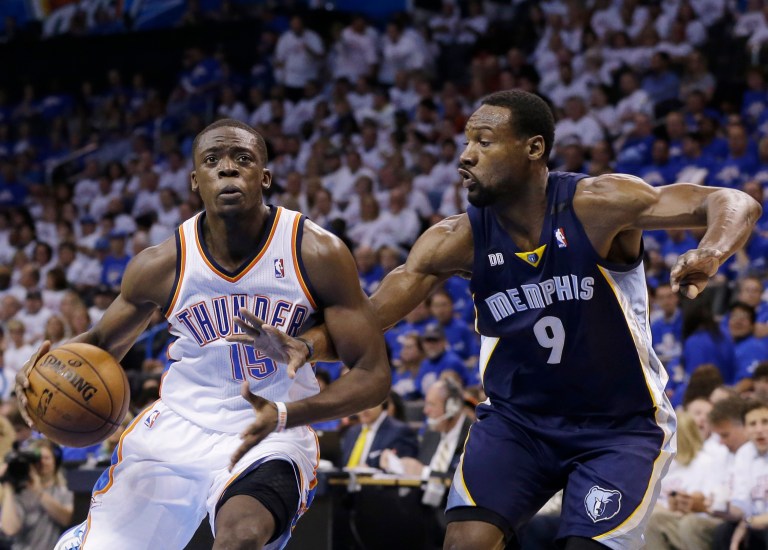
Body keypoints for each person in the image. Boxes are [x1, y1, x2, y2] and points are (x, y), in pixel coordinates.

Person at [233, 90, 761, 549]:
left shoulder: (599, 204)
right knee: (465, 542)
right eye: (465, 143)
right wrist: (305, 346)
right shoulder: (454, 238)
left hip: (618, 427)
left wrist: (711, 252)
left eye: (484, 142)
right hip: (519, 423)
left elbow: (731, 199)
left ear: (534, 149)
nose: (466, 156)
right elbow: (370, 317)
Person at [17, 118, 390, 550]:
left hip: (271, 433)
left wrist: (290, 415)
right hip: (178, 427)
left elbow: (373, 375)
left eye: (242, 159)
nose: (227, 169)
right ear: (196, 180)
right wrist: (42, 376)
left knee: (242, 538)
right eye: (212, 160)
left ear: (264, 177)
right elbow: (99, 346)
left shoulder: (316, 252)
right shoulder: (164, 263)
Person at [0, 439, 73, 550]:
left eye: (47, 458)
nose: (42, 463)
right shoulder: (20, 492)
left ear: (55, 462)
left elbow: (65, 519)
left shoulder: (62, 491)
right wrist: (8, 486)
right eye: (37, 459)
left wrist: (38, 491)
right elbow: (10, 530)